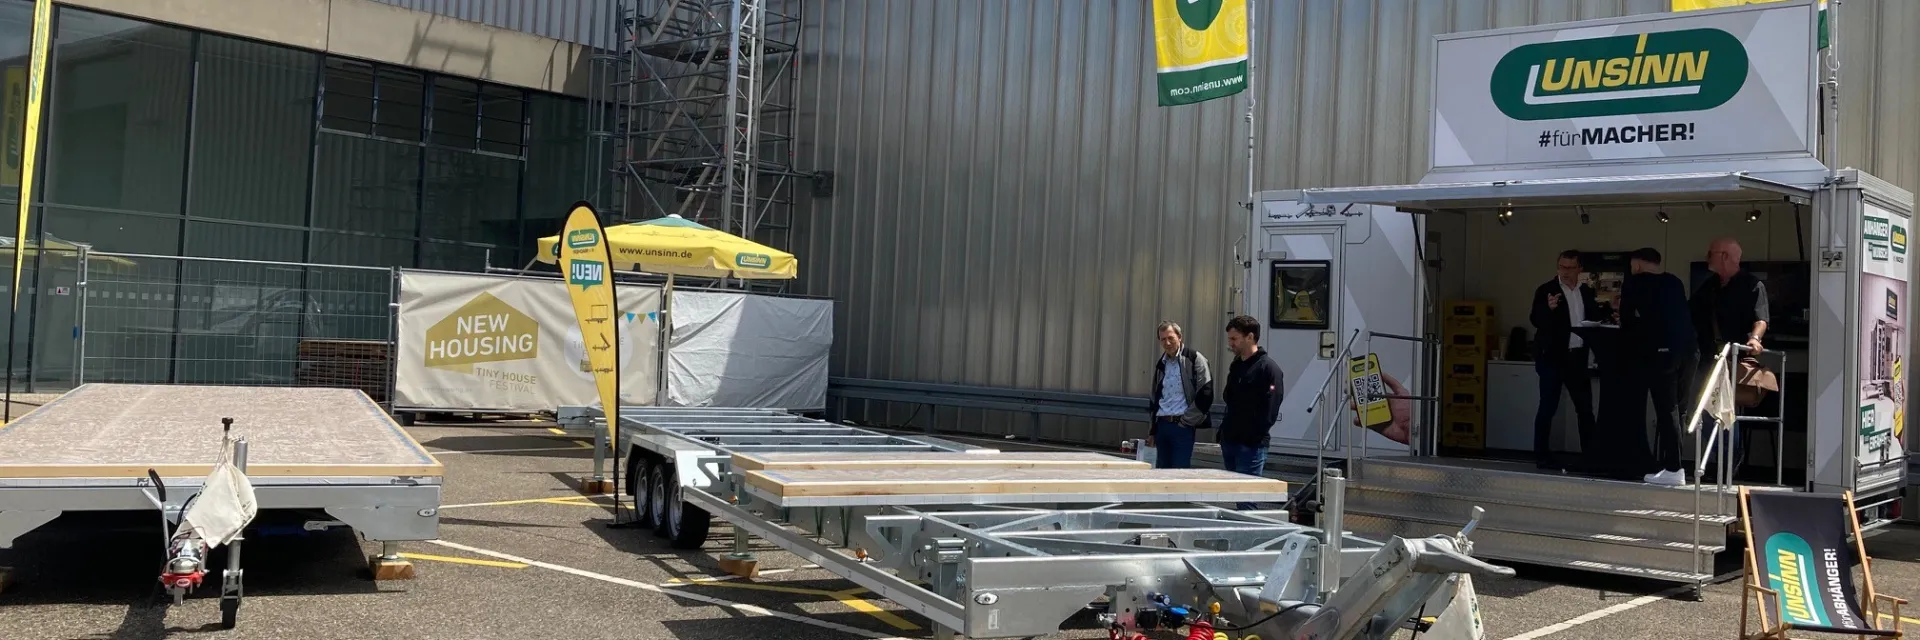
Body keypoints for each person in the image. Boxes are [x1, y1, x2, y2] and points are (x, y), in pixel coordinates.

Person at [1689, 237, 1770, 476]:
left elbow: (1761, 319)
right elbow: (1690, 313)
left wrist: (1755, 339)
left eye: (1710, 253)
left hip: (1732, 358)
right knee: (1699, 410)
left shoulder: (1752, 285)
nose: (1707, 257)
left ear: (1724, 256)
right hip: (1707, 358)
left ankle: (1729, 460)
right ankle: (1723, 456)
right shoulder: (1709, 286)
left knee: (1723, 409)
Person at [1619, 248, 1695, 486]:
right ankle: (1674, 464)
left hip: (1661, 352)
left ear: (1637, 265)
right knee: (1680, 409)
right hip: (1689, 350)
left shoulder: (1634, 283)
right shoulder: (1674, 281)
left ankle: (1673, 468)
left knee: (1666, 409)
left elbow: (1626, 320)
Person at [1528, 249, 1600, 471]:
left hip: (1577, 357)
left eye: (1570, 268)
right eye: (1562, 267)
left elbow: (1593, 317)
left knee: (1585, 408)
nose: (1565, 272)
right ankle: (1542, 455)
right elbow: (1535, 319)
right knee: (1548, 406)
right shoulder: (1547, 289)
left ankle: (1591, 456)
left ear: (1580, 269)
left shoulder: (1585, 291)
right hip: (1552, 357)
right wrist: (1548, 309)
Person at [1220, 315, 1283, 510]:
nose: (1231, 344)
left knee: (1246, 500)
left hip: (1251, 446)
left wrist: (1253, 436)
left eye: (1234, 339)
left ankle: (1250, 530)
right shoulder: (1237, 365)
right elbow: (1229, 398)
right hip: (1230, 440)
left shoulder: (1268, 368)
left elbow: (1270, 409)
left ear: (1250, 337)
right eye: (1229, 339)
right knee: (1235, 494)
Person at [1146, 321, 1213, 469]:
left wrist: (1186, 421)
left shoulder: (1194, 358)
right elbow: (1154, 398)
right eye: (1163, 339)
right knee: (1161, 472)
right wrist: (1152, 430)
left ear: (1180, 337)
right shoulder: (1161, 364)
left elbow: (1206, 393)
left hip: (1182, 426)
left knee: (1179, 472)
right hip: (1162, 425)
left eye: (1171, 338)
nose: (1167, 343)